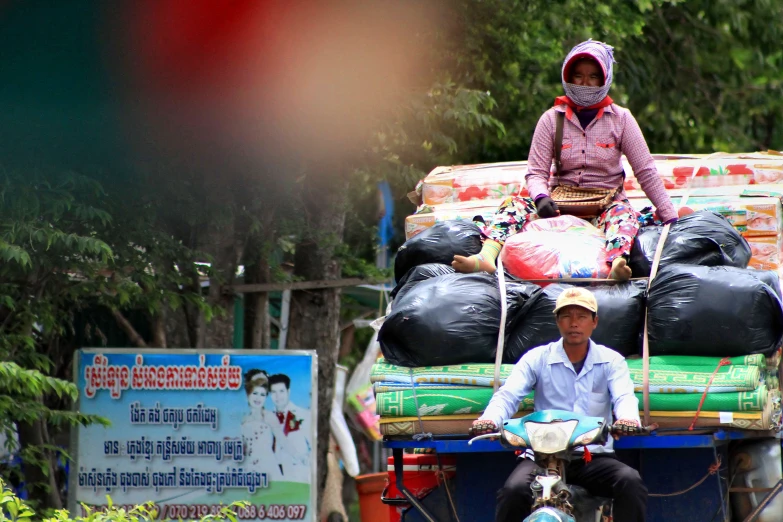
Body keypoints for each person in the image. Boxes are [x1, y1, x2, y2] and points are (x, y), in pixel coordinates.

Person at [453, 40, 682, 280]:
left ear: (604, 79)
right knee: (514, 206)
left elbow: (645, 171)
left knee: (625, 217)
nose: (585, 83)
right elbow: (536, 173)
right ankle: (486, 257)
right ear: (568, 78)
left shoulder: (622, 119)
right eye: (579, 76)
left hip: (606, 204)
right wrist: (541, 198)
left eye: (593, 77)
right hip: (559, 204)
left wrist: (671, 218)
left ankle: (617, 263)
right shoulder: (551, 119)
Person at [471, 287, 648, 522]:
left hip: (590, 456)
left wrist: (628, 420)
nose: (574, 323)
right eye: (566, 316)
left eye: (582, 316)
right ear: (557, 321)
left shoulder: (611, 360)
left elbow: (624, 397)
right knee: (513, 492)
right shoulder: (537, 358)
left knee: (630, 482)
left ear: (594, 322)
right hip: (541, 457)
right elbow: (508, 395)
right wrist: (489, 420)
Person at [269, 373, 312, 483]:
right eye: (274, 392)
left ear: (288, 392)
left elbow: (313, 447)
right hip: (273, 478)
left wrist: (305, 464)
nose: (278, 396)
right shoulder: (266, 418)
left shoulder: (303, 415)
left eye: (281, 391)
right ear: (269, 394)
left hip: (297, 476)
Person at [241, 369, 283, 481]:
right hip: (249, 469)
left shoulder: (269, 417)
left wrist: (300, 456)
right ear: (248, 394)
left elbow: (283, 441)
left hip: (268, 468)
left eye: (262, 395)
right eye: (255, 393)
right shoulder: (244, 420)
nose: (258, 398)